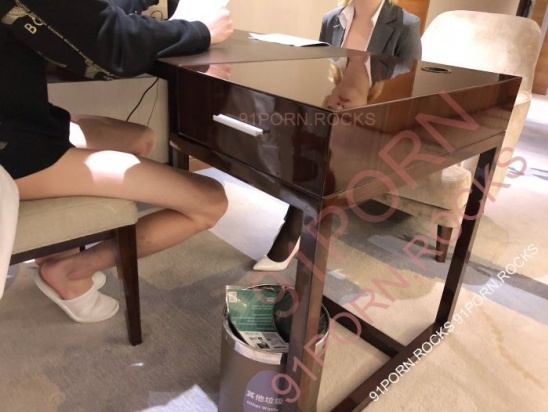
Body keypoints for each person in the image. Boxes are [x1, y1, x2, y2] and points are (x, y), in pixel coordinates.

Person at [0, 0, 233, 322]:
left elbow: (81, 14)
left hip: (24, 122)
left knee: (139, 138)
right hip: (15, 152)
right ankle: (69, 271)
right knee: (210, 201)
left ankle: (57, 246)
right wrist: (200, 31)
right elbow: (111, 47)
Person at [253, 0, 421, 271]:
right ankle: (296, 223)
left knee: (321, 147)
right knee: (299, 131)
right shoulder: (331, 19)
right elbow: (320, 69)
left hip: (377, 123)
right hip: (333, 111)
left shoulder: (406, 25)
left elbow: (411, 87)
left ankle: (291, 233)